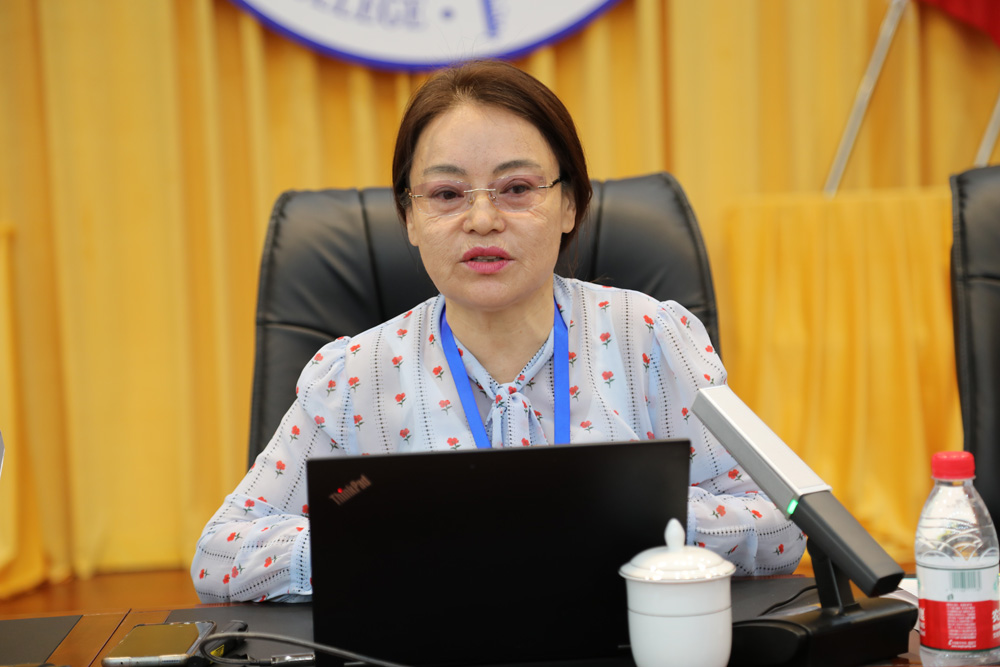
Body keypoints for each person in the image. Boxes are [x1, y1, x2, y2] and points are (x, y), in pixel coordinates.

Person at [191, 59, 805, 603]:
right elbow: (221, 555)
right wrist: (384, 536)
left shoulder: (650, 339)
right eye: (446, 193)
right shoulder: (351, 376)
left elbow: (785, 522)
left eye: (516, 189)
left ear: (569, 205)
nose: (482, 220)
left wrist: (634, 521)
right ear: (409, 217)